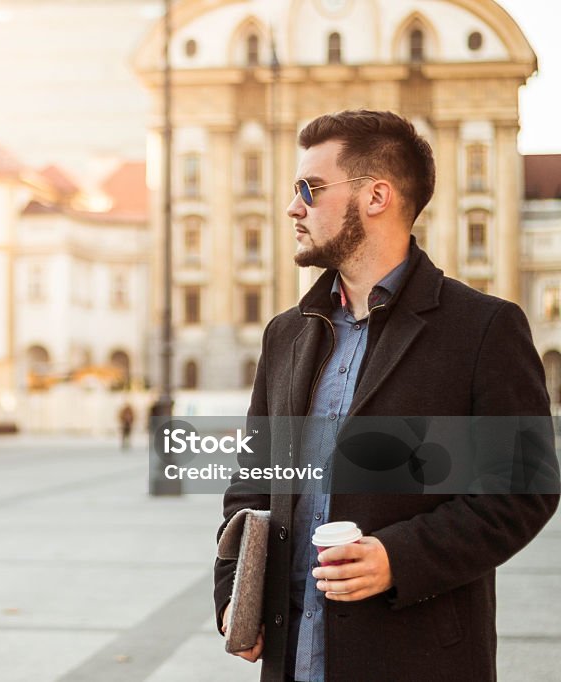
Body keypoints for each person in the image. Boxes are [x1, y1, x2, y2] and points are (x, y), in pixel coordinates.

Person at [213, 110, 560, 682]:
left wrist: (399, 557)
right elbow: (249, 484)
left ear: (376, 196)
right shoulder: (285, 334)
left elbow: (522, 492)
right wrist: (235, 594)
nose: (293, 207)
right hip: (291, 656)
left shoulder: (482, 328)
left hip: (417, 656)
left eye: (310, 189)